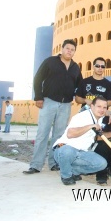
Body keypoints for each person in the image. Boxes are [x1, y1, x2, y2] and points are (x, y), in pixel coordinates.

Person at [24, 39, 83, 174]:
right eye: (67, 48)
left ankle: (54, 162)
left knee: (59, 135)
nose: (69, 51)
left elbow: (80, 84)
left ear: (74, 52)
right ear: (62, 49)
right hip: (49, 101)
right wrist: (38, 97)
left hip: (66, 104)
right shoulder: (50, 62)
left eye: (72, 49)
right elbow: (38, 78)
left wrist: (82, 97)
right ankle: (36, 165)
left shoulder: (75, 67)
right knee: (42, 133)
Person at [52, 96, 108, 185]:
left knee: (102, 164)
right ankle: (66, 176)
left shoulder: (100, 118)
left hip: (82, 153)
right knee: (67, 151)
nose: (102, 109)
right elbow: (70, 134)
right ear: (92, 106)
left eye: (104, 107)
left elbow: (100, 135)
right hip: (63, 149)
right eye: (99, 106)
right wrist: (90, 126)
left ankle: (73, 171)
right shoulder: (82, 116)